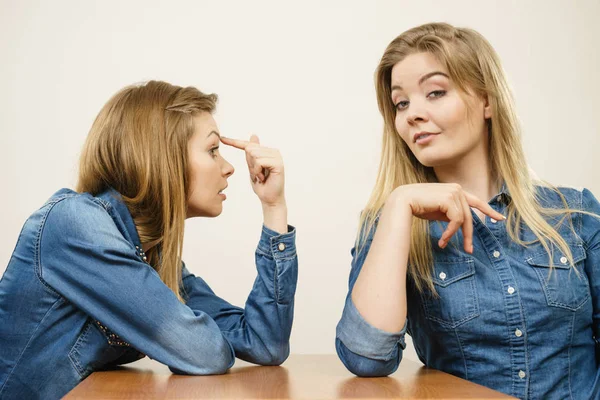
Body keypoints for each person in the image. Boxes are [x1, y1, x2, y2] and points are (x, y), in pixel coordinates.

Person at [335, 22, 600, 399]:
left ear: (487, 100)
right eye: (401, 103)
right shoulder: (392, 226)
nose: (412, 114)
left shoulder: (575, 214)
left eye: (436, 92)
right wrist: (398, 204)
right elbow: (366, 358)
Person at [0, 80, 298, 399]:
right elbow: (204, 352)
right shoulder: (75, 224)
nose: (228, 168)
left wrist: (273, 207)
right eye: (212, 150)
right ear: (162, 157)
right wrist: (195, 337)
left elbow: (265, 344)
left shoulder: (152, 257)